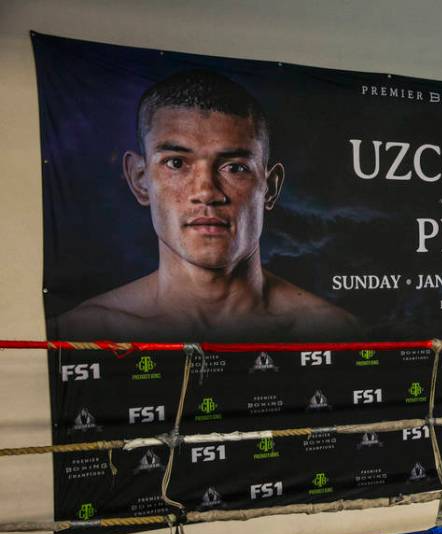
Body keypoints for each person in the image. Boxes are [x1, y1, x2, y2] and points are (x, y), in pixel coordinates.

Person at [53, 70, 358, 341]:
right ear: (140, 179)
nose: (206, 192)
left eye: (235, 167)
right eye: (176, 163)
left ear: (270, 187)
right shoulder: (83, 331)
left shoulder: (334, 331)